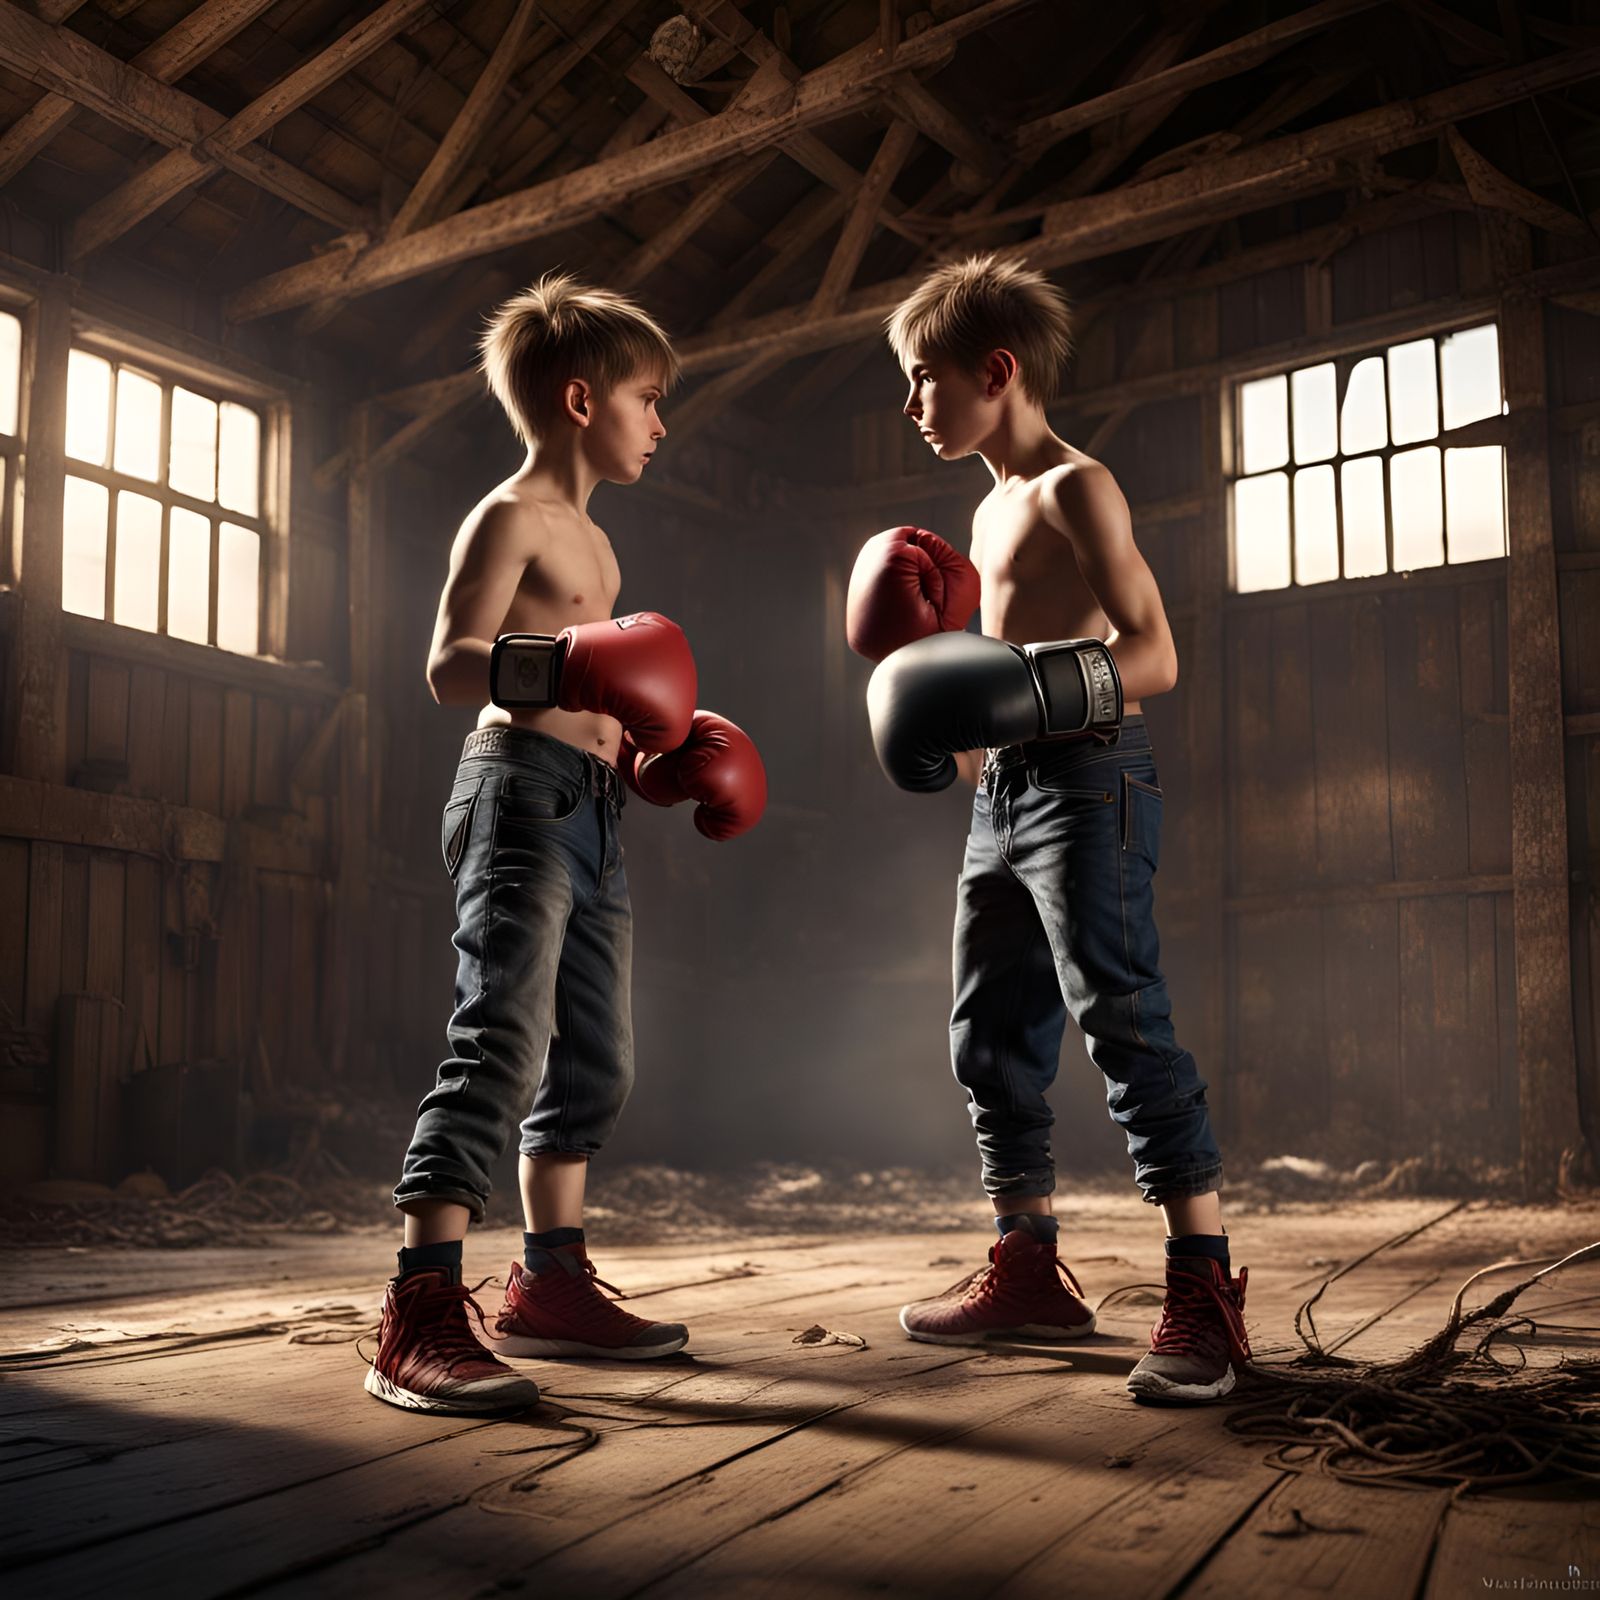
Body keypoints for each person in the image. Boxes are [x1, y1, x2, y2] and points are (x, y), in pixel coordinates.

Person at [846, 253, 1251, 1403]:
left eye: (925, 379)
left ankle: (1203, 1289)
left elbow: (1156, 656)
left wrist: (1016, 690)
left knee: (1122, 1020)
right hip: (1009, 791)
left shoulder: (1079, 485)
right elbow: (994, 683)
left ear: (997, 370)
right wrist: (958, 726)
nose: (913, 405)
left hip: (1090, 778)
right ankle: (1027, 1268)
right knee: (989, 1034)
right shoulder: (983, 506)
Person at [366, 273, 766, 1414]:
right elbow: (451, 664)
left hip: (593, 807)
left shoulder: (598, 544)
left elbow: (603, 714)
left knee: (599, 1058)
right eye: (650, 397)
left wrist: (664, 759)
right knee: (500, 1035)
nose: (663, 419)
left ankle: (549, 1285)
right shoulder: (512, 518)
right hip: (517, 794)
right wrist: (579, 667)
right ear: (583, 399)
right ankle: (421, 1306)